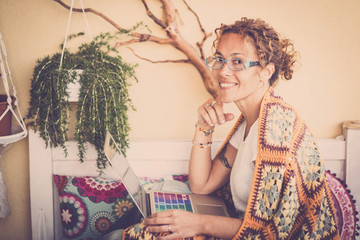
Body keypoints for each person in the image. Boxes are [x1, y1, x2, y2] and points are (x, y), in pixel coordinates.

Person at [122, 17, 339, 240]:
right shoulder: (249, 122)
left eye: (237, 62)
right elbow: (202, 185)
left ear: (266, 71)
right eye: (219, 59)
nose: (223, 72)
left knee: (151, 233)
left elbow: (269, 232)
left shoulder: (276, 130)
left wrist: (198, 223)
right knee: (155, 208)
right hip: (236, 225)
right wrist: (204, 127)